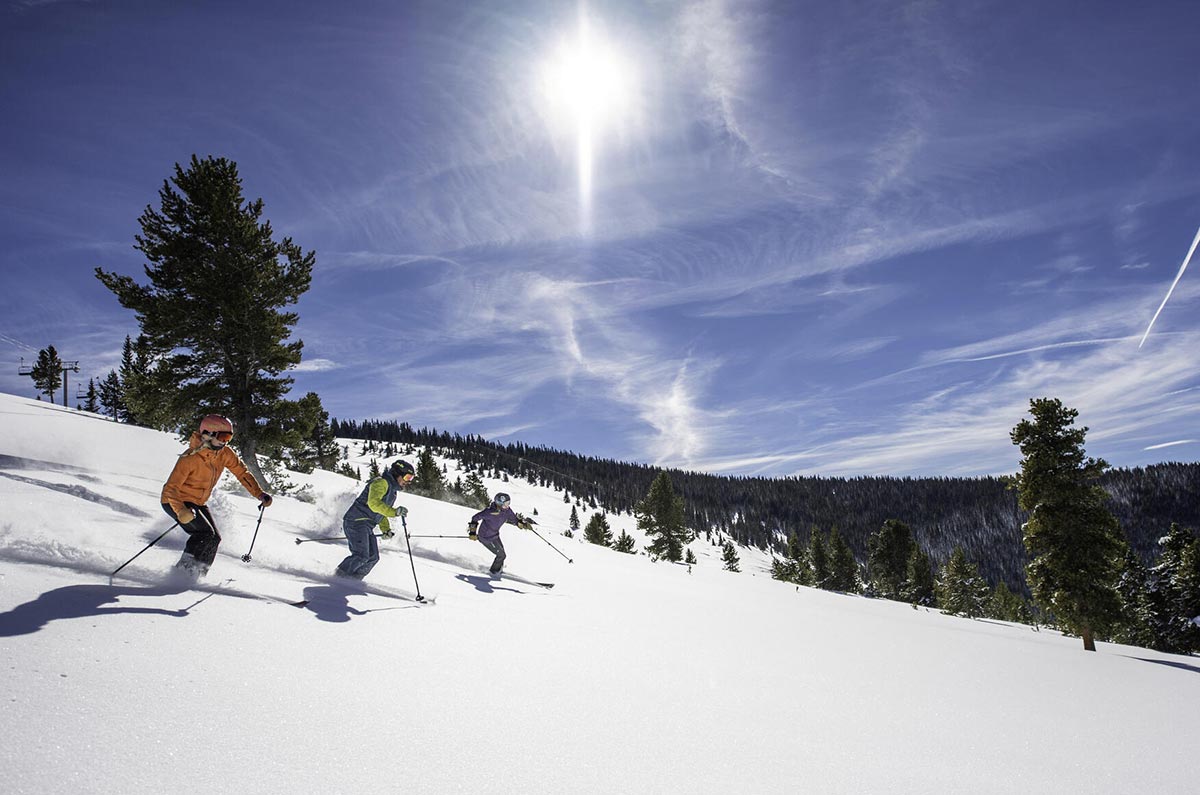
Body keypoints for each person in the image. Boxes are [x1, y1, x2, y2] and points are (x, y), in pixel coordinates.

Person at [161, 414, 272, 578]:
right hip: (175, 501)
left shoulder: (224, 453)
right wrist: (180, 510)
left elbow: (242, 473)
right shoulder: (190, 458)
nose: (225, 441)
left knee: (214, 538)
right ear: (207, 434)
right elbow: (171, 488)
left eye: (229, 437)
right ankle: (182, 574)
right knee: (204, 534)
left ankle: (199, 575)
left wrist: (259, 494)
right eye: (223, 436)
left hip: (198, 502)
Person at [337, 459, 414, 580]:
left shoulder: (392, 491)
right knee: (361, 556)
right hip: (356, 521)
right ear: (397, 474)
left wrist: (386, 529)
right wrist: (394, 512)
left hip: (366, 525)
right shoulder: (381, 483)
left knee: (373, 558)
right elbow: (374, 504)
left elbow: (381, 511)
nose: (408, 482)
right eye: (407, 477)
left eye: (411, 479)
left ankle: (353, 582)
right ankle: (338, 578)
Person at [468, 492, 533, 576]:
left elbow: (514, 519)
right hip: (485, 537)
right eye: (505, 504)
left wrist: (522, 524)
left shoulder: (507, 511)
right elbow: (474, 518)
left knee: (502, 553)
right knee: (501, 555)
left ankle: (498, 569)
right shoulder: (489, 512)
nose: (507, 506)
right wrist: (472, 532)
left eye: (508, 503)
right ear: (499, 503)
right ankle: (493, 573)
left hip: (495, 535)